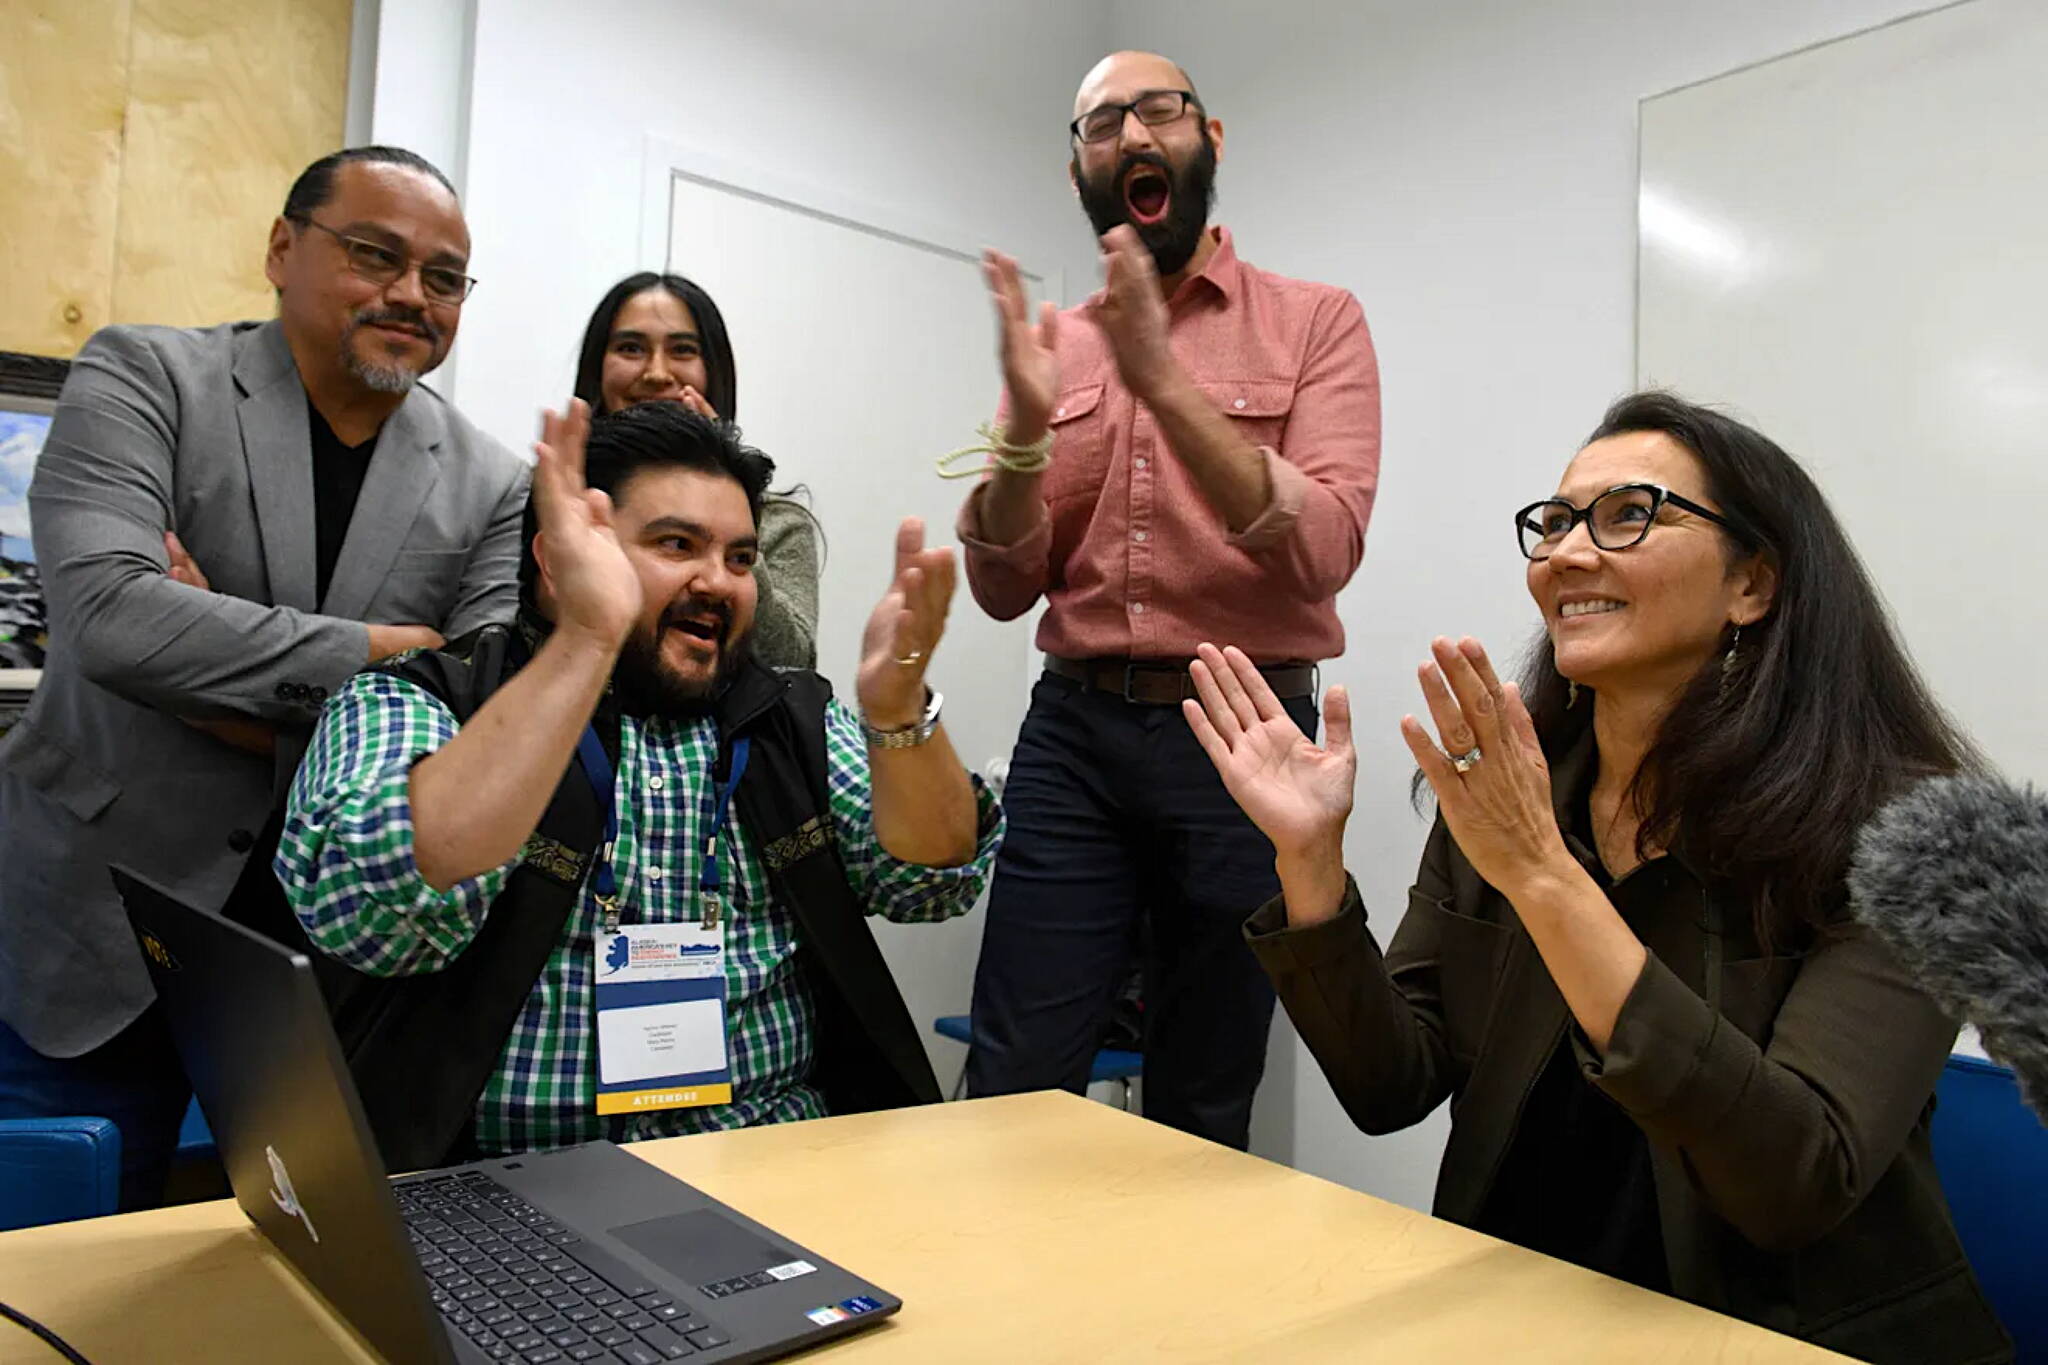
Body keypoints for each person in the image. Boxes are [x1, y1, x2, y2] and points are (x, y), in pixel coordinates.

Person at [1185, 392, 2011, 1363]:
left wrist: (1545, 878)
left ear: (1751, 583)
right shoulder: (1514, 788)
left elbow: (1790, 1182)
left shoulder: (1914, 838)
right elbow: (1389, 1083)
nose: (1567, 553)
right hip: (1525, 1319)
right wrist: (1309, 865)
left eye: (1629, 515)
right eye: (1555, 521)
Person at [0, 145, 529, 1208]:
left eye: (443, 277)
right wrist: (389, 654)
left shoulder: (493, 484)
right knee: (41, 1268)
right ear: (284, 249)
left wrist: (200, 658)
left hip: (314, 970)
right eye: (376, 254)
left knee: (258, 1283)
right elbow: (108, 621)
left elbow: (474, 730)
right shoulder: (143, 376)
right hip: (82, 928)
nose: (408, 295)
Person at [275, 399, 1000, 1165]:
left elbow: (933, 876)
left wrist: (896, 709)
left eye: (741, 558)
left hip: (782, 1167)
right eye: (676, 543)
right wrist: (590, 637)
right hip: (512, 1188)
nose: (717, 582)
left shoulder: (793, 719)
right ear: (558, 560)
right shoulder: (422, 700)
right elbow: (376, 909)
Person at [956, 50, 1381, 1148]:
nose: (1133, 136)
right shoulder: (1053, 344)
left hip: (1244, 731)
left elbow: (1325, 547)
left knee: (1204, 1094)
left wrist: (1161, 383)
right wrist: (1014, 444)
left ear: (1210, 138)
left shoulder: (1316, 321)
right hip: (1079, 732)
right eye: (1103, 123)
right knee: (1013, 1077)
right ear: (1077, 173)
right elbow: (1003, 587)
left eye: (1158, 111)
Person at [573, 271, 823, 671]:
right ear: (597, 370)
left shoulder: (779, 522)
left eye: (683, 351)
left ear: (714, 371)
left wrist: (735, 531)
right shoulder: (547, 498)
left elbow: (791, 663)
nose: (656, 373)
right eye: (631, 348)